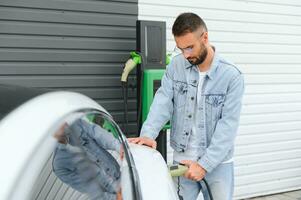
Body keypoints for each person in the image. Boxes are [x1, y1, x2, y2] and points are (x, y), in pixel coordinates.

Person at [129, 12, 244, 200]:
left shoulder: (231, 76)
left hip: (218, 164)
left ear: (205, 37)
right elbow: (163, 101)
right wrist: (148, 134)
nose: (186, 55)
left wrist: (204, 164)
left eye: (190, 47)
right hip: (182, 160)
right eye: (181, 49)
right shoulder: (176, 66)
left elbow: (228, 126)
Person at [52, 118, 122, 200]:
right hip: (112, 194)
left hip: (121, 176)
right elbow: (91, 189)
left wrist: (119, 147)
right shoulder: (59, 165)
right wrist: (115, 198)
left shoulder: (77, 124)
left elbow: (99, 134)